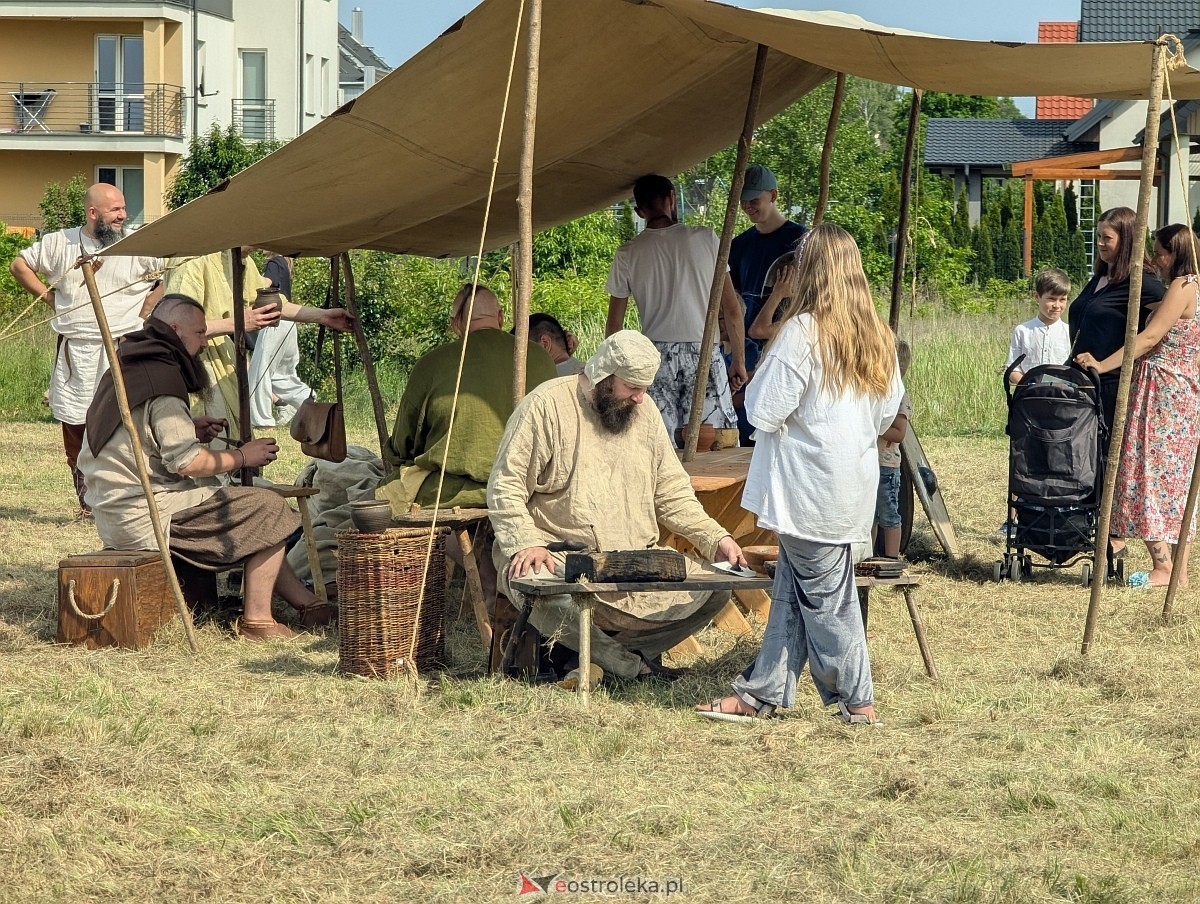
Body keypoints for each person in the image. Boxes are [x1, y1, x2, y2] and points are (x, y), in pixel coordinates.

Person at [695, 224, 903, 725]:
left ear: (811, 271)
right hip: (847, 487)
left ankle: (858, 701)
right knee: (793, 595)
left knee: (830, 603)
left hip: (809, 491)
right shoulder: (877, 335)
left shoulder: (803, 332)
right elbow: (885, 415)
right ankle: (760, 694)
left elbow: (763, 410)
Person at [487, 330, 748, 681]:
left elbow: (672, 493)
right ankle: (628, 667)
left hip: (632, 560)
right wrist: (526, 543)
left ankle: (602, 660)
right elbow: (505, 485)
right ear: (604, 376)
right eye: (632, 388)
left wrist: (715, 538)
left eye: (645, 388)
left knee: (715, 589)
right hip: (558, 555)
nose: (641, 398)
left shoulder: (645, 412)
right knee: (534, 582)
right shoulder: (546, 406)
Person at [76, 295, 335, 641]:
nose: (204, 341)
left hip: (114, 509)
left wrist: (188, 429)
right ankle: (258, 622)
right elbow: (187, 462)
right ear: (174, 330)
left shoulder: (131, 364)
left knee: (255, 511)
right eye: (199, 333)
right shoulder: (161, 382)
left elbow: (138, 436)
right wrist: (243, 456)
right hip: (145, 513)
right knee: (268, 507)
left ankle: (309, 605)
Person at [376, 284, 557, 615]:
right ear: (501, 318)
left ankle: (485, 576)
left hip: (462, 489)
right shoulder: (540, 357)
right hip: (534, 484)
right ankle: (491, 573)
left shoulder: (433, 363)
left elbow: (403, 443)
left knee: (385, 499)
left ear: (455, 324)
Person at [9, 183, 163, 512]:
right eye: (115, 210)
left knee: (127, 421)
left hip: (122, 344)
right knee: (77, 423)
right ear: (93, 213)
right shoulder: (59, 242)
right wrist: (50, 299)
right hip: (77, 346)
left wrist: (147, 307)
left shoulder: (137, 243)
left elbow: (164, 277)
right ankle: (88, 501)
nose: (123, 215)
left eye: (123, 208)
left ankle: (127, 496)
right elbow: (19, 265)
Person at [1076, 224, 1200, 588]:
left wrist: (1101, 364)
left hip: (1162, 393)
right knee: (1175, 483)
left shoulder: (1183, 285)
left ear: (1177, 253)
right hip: (1183, 393)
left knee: (1146, 474)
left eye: (1160, 253)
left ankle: (1163, 567)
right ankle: (1177, 572)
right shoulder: (1194, 288)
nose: (1155, 260)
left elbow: (1149, 337)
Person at [605, 174, 747, 444]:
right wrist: (738, 361)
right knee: (716, 442)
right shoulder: (706, 239)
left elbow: (614, 327)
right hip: (704, 352)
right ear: (672, 197)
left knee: (662, 445)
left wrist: (616, 373)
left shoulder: (628, 253)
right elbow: (732, 309)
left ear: (639, 211)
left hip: (657, 358)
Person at [164, 248, 353, 439]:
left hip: (225, 361)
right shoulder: (192, 259)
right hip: (195, 365)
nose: (259, 245)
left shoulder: (240, 259)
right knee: (210, 440)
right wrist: (239, 323)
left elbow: (273, 304)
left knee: (233, 436)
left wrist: (323, 316)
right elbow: (177, 329)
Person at [1068, 207, 1166, 560]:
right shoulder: (1100, 277)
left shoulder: (1142, 283)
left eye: (1107, 238)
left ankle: (1114, 536)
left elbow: (1174, 320)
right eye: (1098, 237)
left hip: (1110, 385)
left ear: (1126, 240)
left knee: (1107, 459)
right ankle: (1082, 524)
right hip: (1080, 383)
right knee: (1080, 456)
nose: (1100, 243)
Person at [248, 252, 314, 428]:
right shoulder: (283, 263)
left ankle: (261, 419)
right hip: (289, 323)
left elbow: (265, 283)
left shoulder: (275, 262)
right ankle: (307, 400)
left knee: (259, 371)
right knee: (282, 375)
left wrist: (247, 282)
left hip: (275, 322)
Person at [875, 339, 912, 559]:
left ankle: (891, 558)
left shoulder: (899, 397)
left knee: (889, 514)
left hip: (886, 465)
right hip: (869, 463)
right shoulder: (875, 393)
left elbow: (899, 433)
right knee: (869, 516)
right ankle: (868, 557)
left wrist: (874, 427)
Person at [1006, 267, 1071, 384]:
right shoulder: (1022, 331)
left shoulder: (1070, 332)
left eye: (1062, 300)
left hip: (1061, 393)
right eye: (1051, 299)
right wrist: (1028, 386)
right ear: (1037, 297)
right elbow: (1013, 369)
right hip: (1029, 393)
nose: (1057, 305)